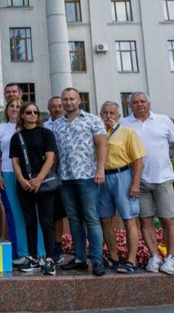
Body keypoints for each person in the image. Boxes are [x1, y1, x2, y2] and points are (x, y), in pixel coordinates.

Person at [119, 91, 174, 275]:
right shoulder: (124, 123)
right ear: (130, 105)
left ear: (149, 103)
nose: (139, 104)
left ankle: (171, 258)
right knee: (145, 220)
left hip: (163, 179)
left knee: (167, 220)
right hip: (139, 181)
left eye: (142, 101)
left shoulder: (163, 120)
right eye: (135, 102)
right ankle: (154, 256)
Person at [51, 87, 107, 277]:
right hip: (65, 178)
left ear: (79, 101)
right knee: (74, 220)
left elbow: (101, 145)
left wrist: (100, 169)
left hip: (87, 176)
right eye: (65, 99)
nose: (68, 102)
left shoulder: (92, 120)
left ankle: (97, 260)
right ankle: (80, 259)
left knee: (91, 218)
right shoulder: (57, 124)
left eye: (71, 99)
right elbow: (56, 153)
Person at [0, 96, 43, 265]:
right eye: (11, 106)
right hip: (8, 172)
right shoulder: (1, 128)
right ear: (7, 110)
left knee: (35, 213)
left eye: (18, 106)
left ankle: (40, 252)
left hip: (29, 175)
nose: (14, 108)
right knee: (16, 214)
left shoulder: (29, 128)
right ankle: (21, 252)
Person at [10, 102, 59, 275]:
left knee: (46, 222)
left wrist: (39, 178)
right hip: (24, 185)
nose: (32, 115)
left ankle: (49, 259)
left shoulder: (46, 134)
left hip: (43, 184)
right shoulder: (17, 137)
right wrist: (22, 179)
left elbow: (50, 158)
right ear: (22, 115)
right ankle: (32, 258)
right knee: (30, 221)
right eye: (28, 112)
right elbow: (15, 161)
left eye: (35, 112)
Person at [99, 101, 145, 274]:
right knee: (105, 219)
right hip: (102, 177)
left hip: (123, 176)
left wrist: (135, 183)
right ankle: (114, 258)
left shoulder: (127, 133)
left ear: (118, 116)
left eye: (112, 113)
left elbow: (138, 160)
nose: (108, 116)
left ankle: (131, 261)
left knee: (129, 219)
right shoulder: (98, 133)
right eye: (105, 113)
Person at [44, 96, 67, 263]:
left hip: (67, 174)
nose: (57, 109)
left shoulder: (70, 124)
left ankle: (58, 246)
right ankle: (47, 246)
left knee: (59, 214)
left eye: (60, 106)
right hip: (47, 176)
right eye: (53, 107)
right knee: (48, 213)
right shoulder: (44, 127)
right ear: (48, 109)